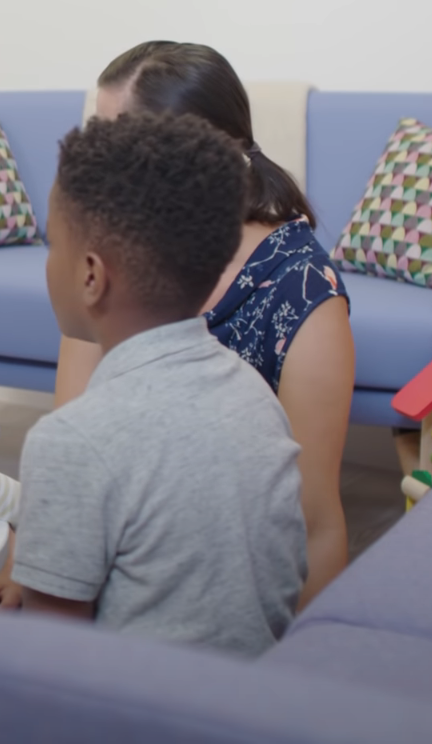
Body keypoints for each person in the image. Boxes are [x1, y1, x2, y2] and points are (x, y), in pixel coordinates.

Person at [51, 41, 352, 611]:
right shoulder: (110, 248)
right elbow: (73, 456)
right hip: (113, 555)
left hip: (216, 589)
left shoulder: (303, 295)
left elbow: (315, 523)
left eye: (121, 146)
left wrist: (293, 676)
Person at [10, 110, 307, 655]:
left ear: (91, 276)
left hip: (140, 713)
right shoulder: (257, 398)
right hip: (256, 703)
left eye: (54, 244)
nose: (47, 263)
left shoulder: (73, 440)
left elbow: (49, 662)